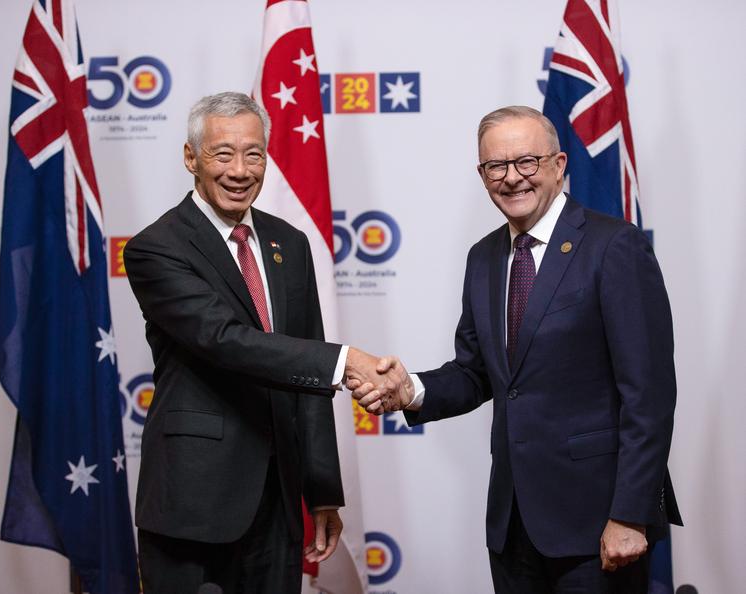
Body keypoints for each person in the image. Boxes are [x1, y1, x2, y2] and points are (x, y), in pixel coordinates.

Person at [352, 106, 682, 593]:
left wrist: (630, 516)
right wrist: (411, 390)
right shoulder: (483, 257)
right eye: (495, 167)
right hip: (512, 526)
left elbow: (648, 396)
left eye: (527, 162)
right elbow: (477, 372)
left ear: (559, 164)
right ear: (482, 175)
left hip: (599, 525)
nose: (512, 179)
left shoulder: (614, 247)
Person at [124, 92, 387, 594]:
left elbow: (303, 371)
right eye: (223, 154)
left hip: (279, 504)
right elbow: (226, 341)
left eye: (254, 154)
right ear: (190, 158)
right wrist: (347, 359)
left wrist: (322, 491)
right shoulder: (155, 247)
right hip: (193, 503)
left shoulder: (289, 242)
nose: (240, 170)